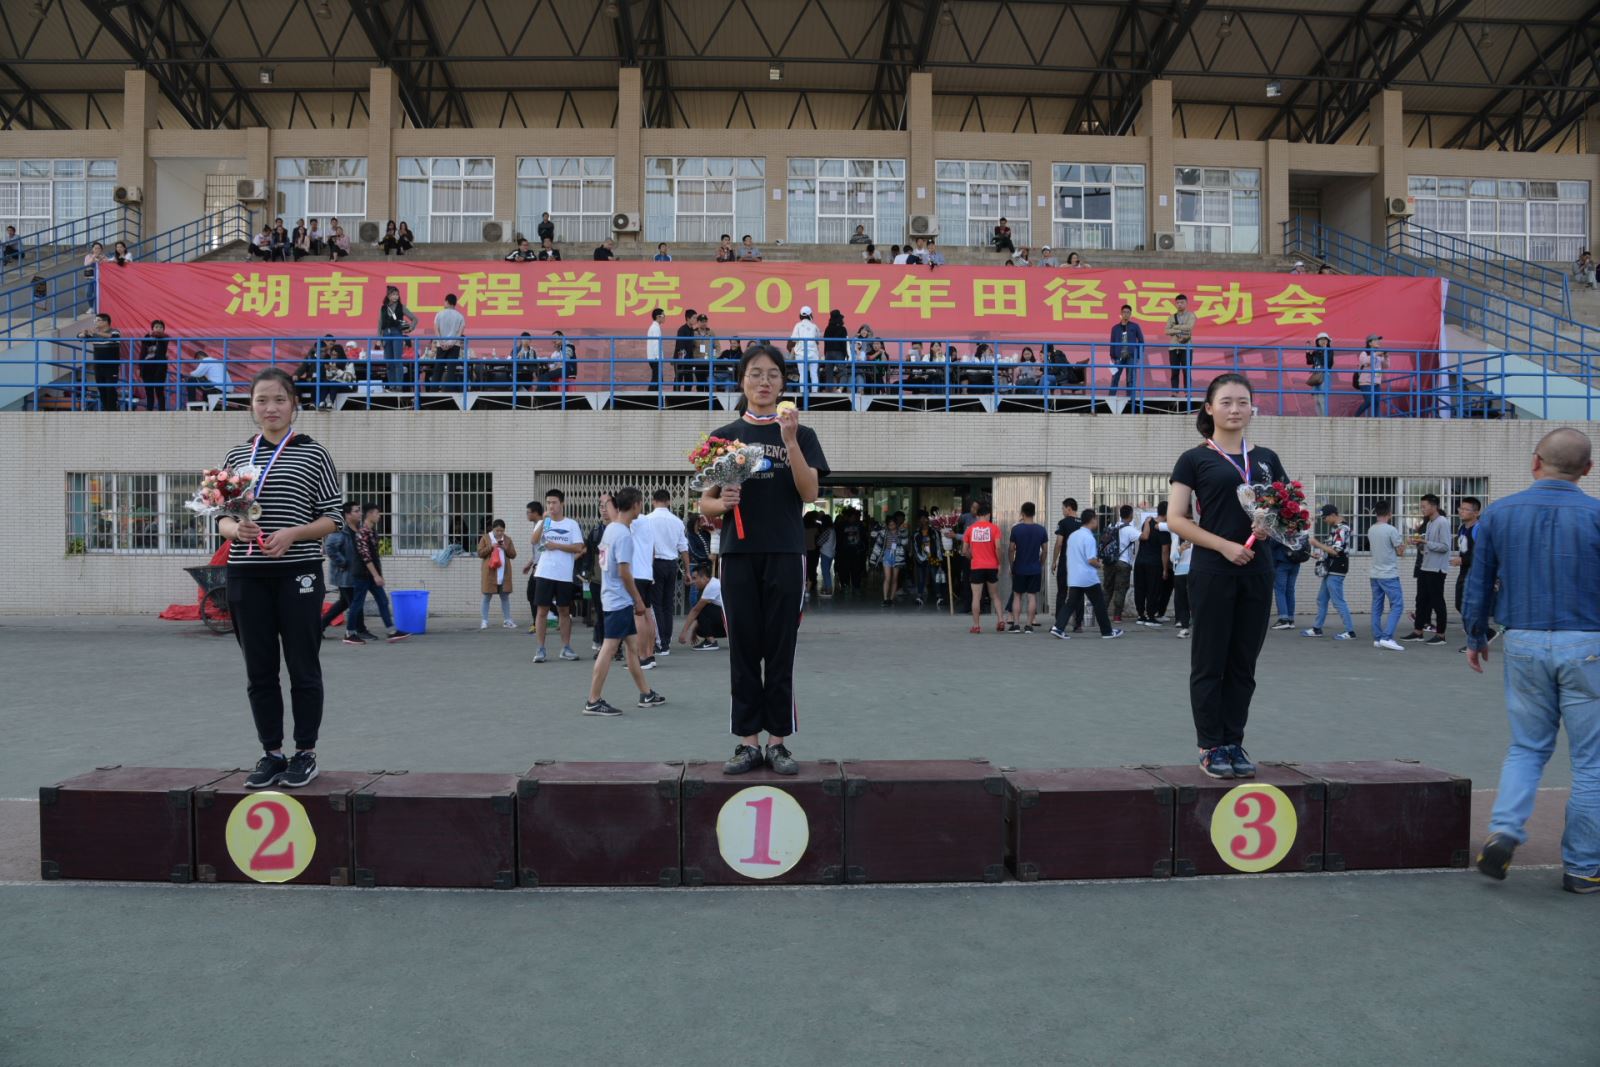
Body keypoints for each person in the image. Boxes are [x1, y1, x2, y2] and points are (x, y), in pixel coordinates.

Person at [1463, 428, 1600, 894]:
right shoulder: (1596, 514)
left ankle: (1505, 830)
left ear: (1535, 461)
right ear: (1588, 469)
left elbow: (1478, 581)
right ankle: (1583, 868)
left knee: (1527, 747)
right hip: (1587, 643)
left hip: (1522, 640)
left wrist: (1475, 635)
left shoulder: (1499, 514)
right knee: (1590, 763)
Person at [700, 345, 829, 776]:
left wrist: (789, 440)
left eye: (773, 374)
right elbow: (705, 504)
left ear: (783, 383)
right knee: (742, 649)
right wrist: (722, 502)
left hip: (786, 553)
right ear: (742, 381)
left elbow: (810, 493)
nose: (764, 382)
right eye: (755, 373)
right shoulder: (725, 437)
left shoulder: (802, 435)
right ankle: (747, 743)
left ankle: (778, 743)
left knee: (780, 650)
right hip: (738, 555)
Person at [218, 368, 344, 791]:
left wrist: (294, 534)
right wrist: (236, 530)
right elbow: (220, 517)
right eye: (261, 400)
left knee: (303, 666)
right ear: (251, 407)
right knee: (259, 670)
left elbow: (333, 517)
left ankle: (305, 752)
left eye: (279, 399)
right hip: (246, 572)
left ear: (294, 405)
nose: (270, 408)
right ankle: (271, 753)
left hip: (298, 571)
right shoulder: (237, 456)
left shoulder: (314, 454)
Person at [1166, 372, 1292, 780]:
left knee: (1243, 663)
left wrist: (1271, 527)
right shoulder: (1194, 459)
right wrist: (1222, 545)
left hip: (1258, 570)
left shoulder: (1267, 459)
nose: (1235, 409)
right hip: (1213, 569)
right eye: (1226, 402)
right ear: (1209, 408)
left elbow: (1286, 513)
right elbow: (1176, 519)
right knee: (1210, 661)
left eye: (1242, 402)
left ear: (1252, 408)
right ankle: (1210, 745)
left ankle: (1234, 742)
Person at [584, 486, 667, 717]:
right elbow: (624, 572)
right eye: (641, 503)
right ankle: (593, 700)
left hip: (612, 597)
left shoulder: (611, 529)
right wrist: (638, 600)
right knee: (609, 648)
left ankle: (646, 694)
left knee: (632, 648)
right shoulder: (623, 535)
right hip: (618, 600)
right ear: (636, 504)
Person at [345, 502, 412, 644]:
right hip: (362, 575)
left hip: (371, 575)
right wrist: (376, 575)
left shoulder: (372, 532)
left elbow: (374, 556)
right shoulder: (362, 533)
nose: (379, 516)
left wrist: (377, 575)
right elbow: (366, 557)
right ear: (369, 514)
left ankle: (391, 631)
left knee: (382, 600)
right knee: (357, 604)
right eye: (377, 513)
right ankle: (349, 633)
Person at [1050, 508, 1122, 640]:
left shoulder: (1073, 536)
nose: (1097, 521)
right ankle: (1107, 631)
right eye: (1096, 519)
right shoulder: (1088, 537)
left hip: (1074, 577)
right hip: (1088, 578)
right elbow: (1091, 560)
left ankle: (1058, 628)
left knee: (1070, 604)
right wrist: (1099, 564)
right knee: (1099, 604)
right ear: (1092, 520)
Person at [642, 489, 691, 658]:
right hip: (672, 565)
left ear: (653, 501)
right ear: (669, 502)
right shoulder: (677, 521)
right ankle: (666, 640)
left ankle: (660, 642)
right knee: (668, 604)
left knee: (656, 604)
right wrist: (688, 571)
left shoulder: (647, 520)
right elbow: (683, 548)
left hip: (655, 564)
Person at [1402, 493, 1451, 645]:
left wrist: (1425, 542)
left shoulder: (1442, 522)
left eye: (1424, 506)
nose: (1422, 509)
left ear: (1434, 506)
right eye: (1421, 507)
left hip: (1437, 569)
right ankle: (1418, 631)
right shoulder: (1429, 523)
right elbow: (1428, 546)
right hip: (1425, 566)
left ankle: (1441, 635)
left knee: (1437, 602)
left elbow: (1445, 547)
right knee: (1421, 600)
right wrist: (1419, 543)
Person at [1301, 504, 1355, 639]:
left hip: (1337, 568)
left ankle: (1350, 631)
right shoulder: (1336, 529)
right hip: (1332, 568)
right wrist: (1320, 555)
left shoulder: (1342, 529)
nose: (1324, 520)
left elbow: (1336, 551)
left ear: (1332, 515)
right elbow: (1332, 550)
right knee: (1322, 599)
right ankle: (1317, 628)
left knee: (1338, 601)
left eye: (1325, 517)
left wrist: (1316, 544)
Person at [1368, 499, 1407, 651]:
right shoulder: (1391, 530)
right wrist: (1405, 545)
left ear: (1376, 513)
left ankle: (1378, 638)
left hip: (1375, 574)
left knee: (1377, 606)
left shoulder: (1371, 529)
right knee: (1397, 605)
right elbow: (1400, 552)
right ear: (1390, 513)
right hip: (1389, 574)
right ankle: (1387, 637)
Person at [320, 501, 362, 638]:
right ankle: (358, 630)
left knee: (344, 603)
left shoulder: (357, 529)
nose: (360, 513)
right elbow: (329, 547)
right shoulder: (340, 530)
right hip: (343, 575)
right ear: (347, 515)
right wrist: (343, 563)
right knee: (355, 602)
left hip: (353, 574)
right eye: (356, 511)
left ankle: (319, 627)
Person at [1005, 502, 1049, 633]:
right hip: (1035, 568)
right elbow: (1045, 550)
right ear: (1034, 513)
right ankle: (1029, 626)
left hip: (1019, 567)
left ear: (1022, 513)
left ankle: (1016, 625)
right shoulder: (1041, 530)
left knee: (1017, 595)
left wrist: (1012, 564)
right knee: (1032, 596)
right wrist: (1041, 563)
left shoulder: (1016, 529)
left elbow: (1011, 549)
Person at [1452, 495, 1488, 653]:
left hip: (1476, 573)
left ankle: (1476, 642)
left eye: (1466, 509)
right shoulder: (1462, 528)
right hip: (1464, 572)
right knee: (1460, 605)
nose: (1461, 511)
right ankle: (1483, 634)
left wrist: (1463, 560)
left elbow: (1483, 553)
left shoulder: (1479, 529)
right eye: (1461, 508)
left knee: (1469, 608)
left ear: (1476, 512)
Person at [963, 500, 1003, 634]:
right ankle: (1000, 620)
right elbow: (998, 548)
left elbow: (964, 550)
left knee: (976, 597)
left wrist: (972, 557)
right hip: (992, 566)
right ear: (987, 515)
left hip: (977, 567)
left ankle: (976, 626)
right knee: (995, 595)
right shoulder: (994, 528)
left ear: (978, 515)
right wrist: (999, 563)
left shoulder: (970, 529)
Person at [1133, 502, 1171, 627]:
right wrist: (1165, 569)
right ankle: (1150, 617)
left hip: (1140, 561)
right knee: (1153, 590)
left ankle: (1141, 616)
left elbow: (1144, 537)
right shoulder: (1163, 528)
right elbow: (1165, 551)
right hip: (1154, 563)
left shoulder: (1147, 522)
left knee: (1140, 589)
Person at [477, 519, 518, 630]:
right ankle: (484, 621)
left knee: (505, 597)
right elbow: (480, 553)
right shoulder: (486, 538)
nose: (499, 533)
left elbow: (513, 555)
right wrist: (491, 547)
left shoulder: (507, 539)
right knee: (487, 596)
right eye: (497, 530)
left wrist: (505, 548)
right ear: (493, 529)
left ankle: (507, 620)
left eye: (502, 531)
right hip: (490, 573)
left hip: (504, 573)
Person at [77, 312, 122, 412]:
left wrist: (96, 333)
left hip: (111, 366)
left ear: (106, 322)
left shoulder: (115, 331)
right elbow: (79, 337)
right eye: (95, 320)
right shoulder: (95, 334)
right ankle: (106, 409)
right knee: (101, 388)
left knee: (110, 388)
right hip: (98, 366)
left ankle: (113, 409)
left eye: (98, 320)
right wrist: (84, 333)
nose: (95, 322)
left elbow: (113, 337)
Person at [1101, 504, 1138, 622]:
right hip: (1123, 563)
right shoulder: (1130, 529)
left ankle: (1101, 614)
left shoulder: (1111, 526)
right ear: (1131, 515)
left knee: (1107, 588)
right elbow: (1144, 537)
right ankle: (1117, 616)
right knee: (1120, 589)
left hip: (1109, 562)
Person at [677, 566, 727, 650]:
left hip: (732, 623)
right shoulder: (712, 583)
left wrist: (684, 632)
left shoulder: (712, 586)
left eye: (695, 578)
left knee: (701, 608)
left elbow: (695, 611)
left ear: (704, 578)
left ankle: (711, 642)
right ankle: (709, 640)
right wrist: (694, 630)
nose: (693, 582)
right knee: (700, 629)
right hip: (730, 622)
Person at [377, 285, 417, 387]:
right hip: (386, 335)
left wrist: (410, 329)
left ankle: (398, 386)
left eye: (397, 294)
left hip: (397, 334)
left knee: (397, 361)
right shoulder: (383, 308)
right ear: (388, 296)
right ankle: (392, 386)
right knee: (389, 363)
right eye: (393, 294)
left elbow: (415, 319)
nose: (395, 296)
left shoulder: (401, 307)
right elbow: (380, 324)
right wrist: (379, 339)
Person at [1052, 498, 1082, 631]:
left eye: (1063, 508)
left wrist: (1054, 561)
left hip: (1066, 562)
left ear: (1069, 508)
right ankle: (1078, 624)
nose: (1062, 511)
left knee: (1062, 593)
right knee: (1078, 594)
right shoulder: (1083, 523)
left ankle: (1059, 624)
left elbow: (1059, 543)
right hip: (1079, 564)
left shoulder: (1063, 523)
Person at [1109, 304, 1144, 412]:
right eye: (1124, 312)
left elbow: (1141, 341)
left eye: (1128, 312)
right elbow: (1112, 342)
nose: (1126, 314)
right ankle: (1111, 397)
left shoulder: (1135, 326)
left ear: (1130, 314)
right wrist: (1112, 355)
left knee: (1130, 378)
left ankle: (1130, 399)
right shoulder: (1115, 328)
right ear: (1121, 313)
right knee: (1115, 377)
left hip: (1131, 356)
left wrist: (1138, 355)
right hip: (1118, 356)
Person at [431, 293, 467, 393]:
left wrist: (441, 342)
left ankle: (433, 390)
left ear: (447, 301)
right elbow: (460, 332)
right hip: (454, 345)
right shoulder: (460, 316)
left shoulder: (439, 314)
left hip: (441, 345)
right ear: (455, 303)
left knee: (438, 368)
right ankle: (448, 392)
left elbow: (436, 329)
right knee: (451, 369)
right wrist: (451, 342)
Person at [1269, 534, 1304, 630]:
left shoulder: (1280, 530)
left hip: (1282, 562)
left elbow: (1272, 544)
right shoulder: (1298, 529)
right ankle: (1290, 619)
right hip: (1295, 562)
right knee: (1290, 591)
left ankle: (1283, 620)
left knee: (1280, 591)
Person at [135, 318, 170, 412]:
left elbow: (162, 339)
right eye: (156, 327)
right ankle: (149, 410)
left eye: (161, 327)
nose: (158, 329)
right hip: (147, 366)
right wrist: (139, 367)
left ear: (163, 329)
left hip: (160, 367)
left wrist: (154, 334)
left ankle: (162, 411)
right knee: (149, 391)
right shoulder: (147, 337)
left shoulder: (165, 337)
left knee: (159, 390)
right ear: (152, 328)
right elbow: (142, 353)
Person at [1166, 293, 1195, 395]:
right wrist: (1179, 330)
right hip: (1173, 347)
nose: (1179, 305)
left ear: (1186, 303)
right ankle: (1175, 392)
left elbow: (1189, 327)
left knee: (1186, 370)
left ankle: (1188, 392)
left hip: (1186, 347)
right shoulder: (1171, 317)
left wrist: (1175, 327)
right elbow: (1167, 331)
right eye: (1177, 303)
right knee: (1174, 371)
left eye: (1182, 302)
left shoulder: (1191, 315)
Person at [835, 506, 867, 595]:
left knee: (856, 570)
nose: (854, 518)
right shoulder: (841, 525)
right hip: (844, 552)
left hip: (856, 551)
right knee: (844, 569)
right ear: (848, 517)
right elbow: (838, 539)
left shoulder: (860, 525)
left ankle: (856, 586)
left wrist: (863, 549)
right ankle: (845, 585)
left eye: (855, 516)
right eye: (852, 516)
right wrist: (838, 550)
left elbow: (864, 537)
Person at [788, 305, 822, 390]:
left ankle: (803, 391)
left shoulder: (798, 325)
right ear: (810, 314)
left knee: (802, 374)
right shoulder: (814, 326)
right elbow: (818, 338)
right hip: (813, 353)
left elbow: (794, 339)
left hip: (801, 353)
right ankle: (815, 392)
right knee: (814, 374)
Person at [1352, 335, 1385, 416]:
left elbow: (1386, 365)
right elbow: (1364, 361)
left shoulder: (1379, 354)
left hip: (1376, 382)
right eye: (1375, 340)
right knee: (1369, 401)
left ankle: (1377, 420)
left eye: (1378, 340)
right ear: (1369, 343)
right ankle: (1355, 416)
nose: (1378, 342)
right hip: (1365, 382)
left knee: (1376, 402)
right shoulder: (1364, 353)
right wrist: (1375, 354)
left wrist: (1387, 357)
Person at [879, 514, 906, 606]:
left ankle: (891, 599)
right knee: (887, 578)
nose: (892, 526)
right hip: (887, 555)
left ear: (896, 524)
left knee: (894, 578)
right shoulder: (884, 532)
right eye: (890, 525)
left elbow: (905, 542)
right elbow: (878, 542)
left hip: (897, 555)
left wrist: (903, 531)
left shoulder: (901, 532)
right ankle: (885, 599)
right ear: (887, 525)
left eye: (893, 524)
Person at [1171, 525, 1193, 638]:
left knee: (1194, 600)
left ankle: (1200, 627)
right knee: (1182, 601)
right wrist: (1180, 550)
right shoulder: (1177, 540)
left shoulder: (1198, 540)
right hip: (1179, 573)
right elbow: (1172, 558)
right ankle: (1185, 628)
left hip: (1193, 572)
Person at [1305, 332, 1334, 416]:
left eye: (1325, 340)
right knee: (1316, 399)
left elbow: (1328, 363)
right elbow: (1309, 361)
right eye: (1321, 340)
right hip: (1316, 375)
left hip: (1324, 376)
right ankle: (1319, 418)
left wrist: (1324, 350)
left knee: (1322, 398)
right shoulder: (1316, 351)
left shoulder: (1329, 351)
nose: (1323, 341)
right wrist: (1307, 351)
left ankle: (1324, 419)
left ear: (1328, 342)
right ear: (1317, 342)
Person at [644, 305, 665, 389]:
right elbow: (656, 343)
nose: (664, 317)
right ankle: (650, 395)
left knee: (657, 379)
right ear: (658, 317)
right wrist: (658, 357)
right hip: (655, 358)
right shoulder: (655, 328)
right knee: (657, 379)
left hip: (653, 357)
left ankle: (652, 395)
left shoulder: (655, 327)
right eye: (663, 315)